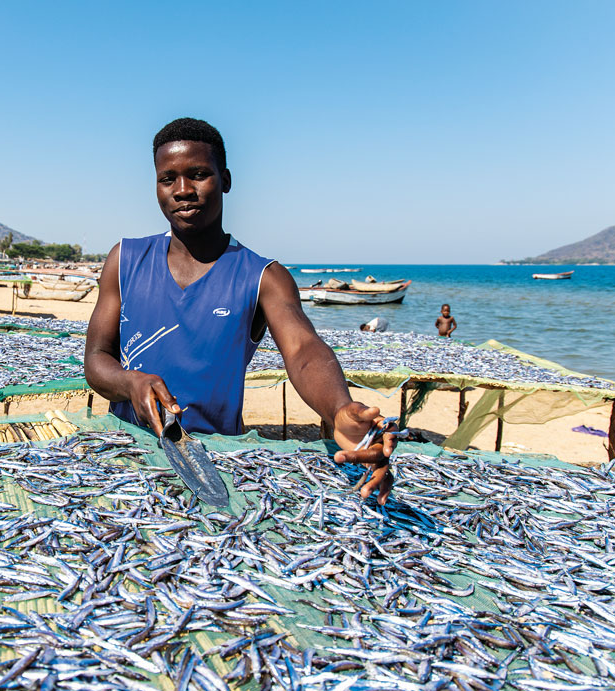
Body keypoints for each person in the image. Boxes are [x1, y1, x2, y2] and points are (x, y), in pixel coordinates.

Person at [85, 118, 398, 503]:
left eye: (199, 174)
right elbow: (97, 359)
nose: (183, 191)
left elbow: (303, 351)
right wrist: (130, 383)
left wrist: (340, 407)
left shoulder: (264, 277)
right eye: (168, 179)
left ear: (226, 179)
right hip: (125, 454)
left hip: (214, 463)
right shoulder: (125, 259)